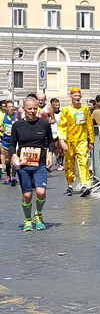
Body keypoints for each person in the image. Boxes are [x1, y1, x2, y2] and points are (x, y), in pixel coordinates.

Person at [10, 97, 54, 231]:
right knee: (27, 195)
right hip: (23, 165)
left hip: (39, 164)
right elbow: (12, 144)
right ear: (24, 109)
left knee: (41, 192)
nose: (33, 111)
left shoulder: (44, 124)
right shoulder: (17, 125)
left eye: (35, 108)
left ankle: (38, 215)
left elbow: (51, 141)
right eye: (29, 108)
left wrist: (50, 154)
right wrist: (13, 155)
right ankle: (28, 219)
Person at [58, 87, 95, 197]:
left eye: (79, 96)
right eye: (75, 96)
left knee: (83, 162)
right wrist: (62, 141)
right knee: (69, 163)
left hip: (82, 140)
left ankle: (84, 184)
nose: (77, 98)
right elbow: (62, 126)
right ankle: (70, 184)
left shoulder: (85, 109)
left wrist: (91, 140)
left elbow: (89, 125)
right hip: (69, 141)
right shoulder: (66, 110)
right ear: (71, 96)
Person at [0, 100, 18, 186]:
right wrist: (5, 131)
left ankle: (14, 176)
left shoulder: (17, 116)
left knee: (14, 158)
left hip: (14, 141)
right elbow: (1, 127)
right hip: (6, 139)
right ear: (6, 108)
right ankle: (8, 176)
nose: (11, 108)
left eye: (12, 106)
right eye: (9, 107)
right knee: (7, 159)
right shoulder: (3, 116)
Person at [50, 98, 64, 171]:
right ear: (52, 106)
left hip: (61, 132)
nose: (57, 106)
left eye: (58, 105)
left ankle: (61, 162)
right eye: (55, 105)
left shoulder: (62, 113)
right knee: (55, 147)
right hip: (53, 132)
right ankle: (57, 159)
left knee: (60, 147)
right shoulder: (50, 113)